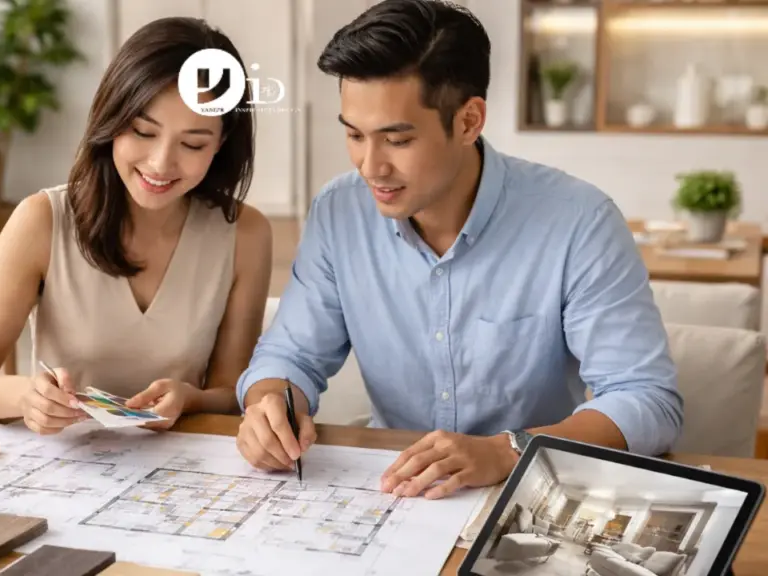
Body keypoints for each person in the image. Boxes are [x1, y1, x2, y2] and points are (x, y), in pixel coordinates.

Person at [235, 0, 682, 499]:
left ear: (469, 122)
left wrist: (506, 451)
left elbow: (646, 399)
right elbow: (291, 354)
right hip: (392, 491)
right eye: (354, 135)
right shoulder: (339, 213)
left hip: (528, 491)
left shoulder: (579, 221)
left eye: (397, 140)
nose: (370, 166)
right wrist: (270, 403)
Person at [0, 17, 272, 435]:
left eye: (193, 144)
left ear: (220, 144)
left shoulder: (245, 233)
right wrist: (26, 398)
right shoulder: (42, 220)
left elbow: (231, 391)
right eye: (143, 131)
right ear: (112, 120)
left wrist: (190, 397)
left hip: (175, 465)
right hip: (64, 465)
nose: (160, 163)